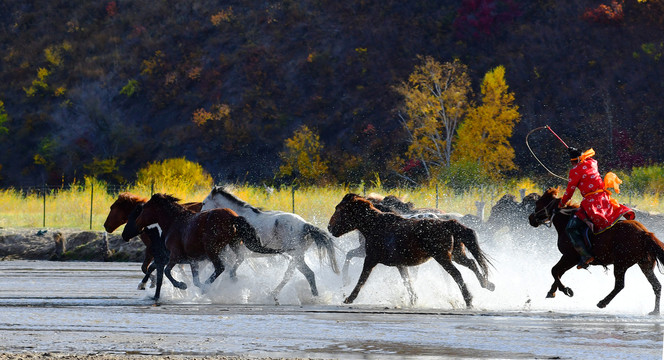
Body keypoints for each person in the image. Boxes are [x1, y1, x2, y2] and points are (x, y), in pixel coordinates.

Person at [558, 147, 634, 269]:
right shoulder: (593, 163)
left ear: (572, 161)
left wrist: (562, 203)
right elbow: (586, 161)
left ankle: (585, 255)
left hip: (591, 203)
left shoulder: (574, 171)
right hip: (604, 199)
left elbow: (569, 191)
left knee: (571, 228)